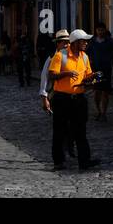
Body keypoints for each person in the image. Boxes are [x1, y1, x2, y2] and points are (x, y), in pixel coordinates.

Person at [46, 29, 100, 171]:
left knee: (80, 131)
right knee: (59, 131)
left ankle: (84, 161)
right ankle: (58, 161)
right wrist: (67, 74)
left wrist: (92, 78)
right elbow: (51, 76)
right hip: (61, 99)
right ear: (75, 42)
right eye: (84, 41)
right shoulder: (60, 55)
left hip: (79, 98)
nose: (86, 43)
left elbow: (86, 76)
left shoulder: (85, 57)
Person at [39, 30, 76, 161]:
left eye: (68, 43)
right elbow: (44, 78)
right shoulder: (51, 58)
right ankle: (62, 153)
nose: (66, 45)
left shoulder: (72, 57)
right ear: (58, 44)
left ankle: (70, 147)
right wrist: (44, 98)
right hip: (55, 95)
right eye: (64, 43)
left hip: (71, 95)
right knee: (61, 125)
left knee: (72, 124)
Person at [85, 25, 113, 121]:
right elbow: (85, 53)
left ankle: (104, 113)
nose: (100, 32)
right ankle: (98, 111)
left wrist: (112, 60)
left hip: (106, 70)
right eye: (98, 30)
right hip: (96, 71)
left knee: (105, 92)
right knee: (97, 91)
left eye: (102, 30)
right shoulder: (93, 42)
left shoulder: (109, 41)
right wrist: (89, 61)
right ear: (96, 30)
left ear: (105, 30)